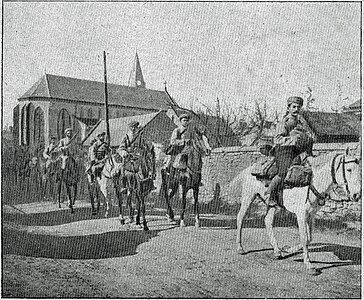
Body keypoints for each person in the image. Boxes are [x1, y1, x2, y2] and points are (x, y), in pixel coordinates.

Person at [265, 96, 314, 207]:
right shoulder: (284, 122)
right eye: (294, 107)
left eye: (299, 107)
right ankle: (269, 194)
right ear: (288, 108)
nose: (296, 109)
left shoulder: (301, 122)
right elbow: (277, 140)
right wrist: (293, 140)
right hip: (283, 151)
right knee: (284, 172)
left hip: (297, 151)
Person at [163, 113, 192, 177]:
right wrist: (182, 141)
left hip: (187, 150)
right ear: (181, 121)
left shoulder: (189, 131)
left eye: (187, 121)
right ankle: (169, 173)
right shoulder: (177, 130)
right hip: (177, 149)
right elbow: (172, 141)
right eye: (184, 120)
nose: (186, 122)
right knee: (173, 160)